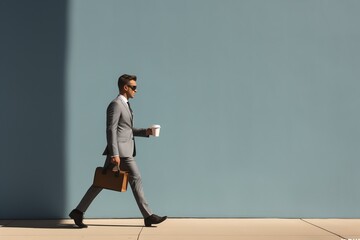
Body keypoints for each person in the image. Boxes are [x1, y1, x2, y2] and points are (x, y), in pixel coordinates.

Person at [69, 74, 167, 228]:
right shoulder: (115, 104)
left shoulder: (125, 104)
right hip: (120, 152)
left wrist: (146, 131)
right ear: (125, 87)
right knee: (135, 178)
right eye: (134, 87)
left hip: (123, 151)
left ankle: (78, 211)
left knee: (101, 183)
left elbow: (126, 130)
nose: (136, 90)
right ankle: (148, 216)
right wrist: (114, 153)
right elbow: (111, 130)